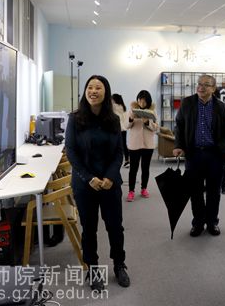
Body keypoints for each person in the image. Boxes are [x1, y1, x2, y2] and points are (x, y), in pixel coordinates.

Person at [65, 75, 130, 291]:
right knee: (89, 228)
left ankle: (119, 264)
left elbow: (119, 152)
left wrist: (110, 177)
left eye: (98, 88)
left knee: (115, 227)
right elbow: (71, 151)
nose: (93, 91)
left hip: (110, 183)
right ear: (85, 91)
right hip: (85, 184)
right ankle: (92, 269)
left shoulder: (113, 119)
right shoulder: (75, 119)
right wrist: (89, 178)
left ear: (106, 92)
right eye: (90, 87)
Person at [173, 74, 225, 237]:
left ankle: (212, 222)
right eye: (199, 84)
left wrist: (224, 151)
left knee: (214, 191)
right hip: (194, 154)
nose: (201, 87)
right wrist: (178, 145)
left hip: (215, 155)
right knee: (195, 191)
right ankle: (198, 223)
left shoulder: (221, 107)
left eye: (206, 84)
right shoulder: (187, 103)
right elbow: (179, 125)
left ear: (213, 88)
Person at [126, 90, 159, 202]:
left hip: (148, 145)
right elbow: (126, 126)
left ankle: (144, 188)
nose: (142, 103)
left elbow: (156, 128)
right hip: (134, 144)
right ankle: (131, 191)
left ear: (148, 102)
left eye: (144, 101)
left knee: (145, 168)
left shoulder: (153, 112)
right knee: (133, 169)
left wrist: (147, 122)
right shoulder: (132, 110)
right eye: (140, 100)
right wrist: (131, 119)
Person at [111, 93, 129, 168]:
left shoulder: (114, 106)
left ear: (114, 100)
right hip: (123, 128)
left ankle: (114, 161)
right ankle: (127, 160)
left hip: (116, 128)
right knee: (124, 145)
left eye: (112, 99)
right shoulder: (123, 106)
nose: (111, 100)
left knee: (114, 145)